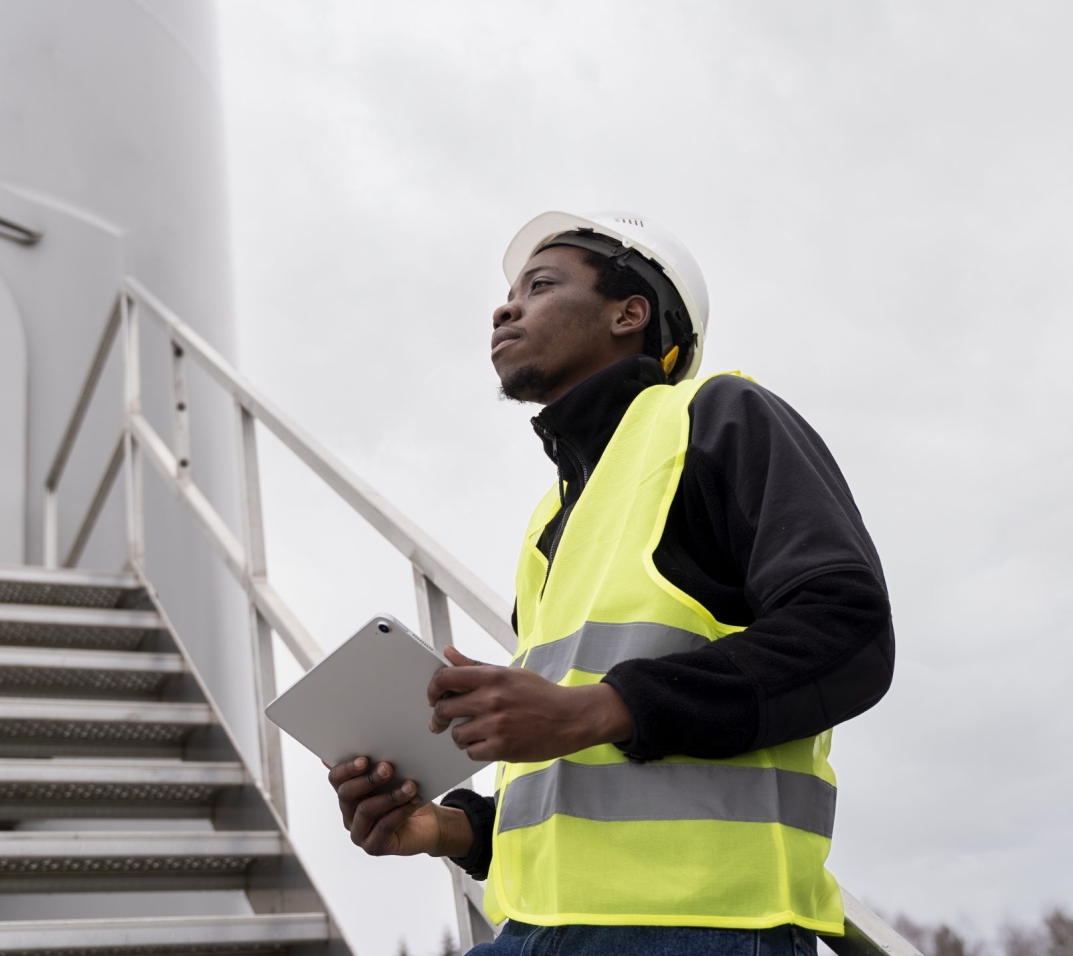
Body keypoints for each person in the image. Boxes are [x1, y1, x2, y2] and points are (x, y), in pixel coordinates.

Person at [326, 211, 894, 956]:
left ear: (630, 313)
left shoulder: (718, 418)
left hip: (703, 931)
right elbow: (579, 777)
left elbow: (849, 632)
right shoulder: (550, 521)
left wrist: (598, 708)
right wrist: (450, 828)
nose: (504, 309)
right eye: (509, 294)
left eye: (539, 286)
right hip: (531, 930)